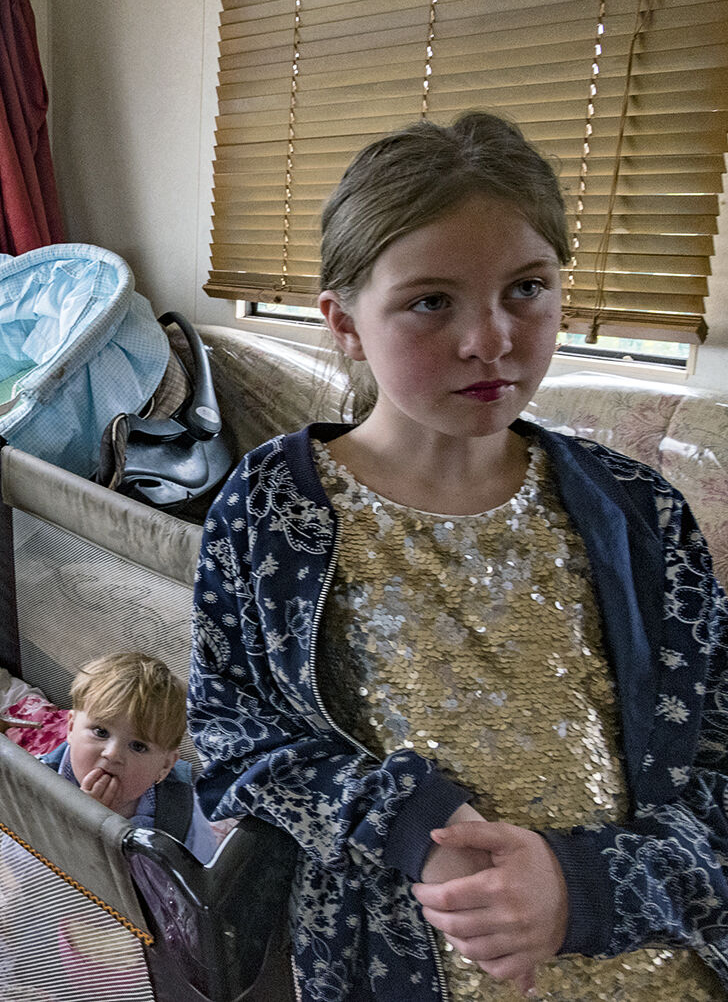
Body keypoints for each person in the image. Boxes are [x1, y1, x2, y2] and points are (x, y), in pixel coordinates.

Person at [187, 111, 728, 1001]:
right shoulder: (275, 508)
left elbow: (715, 762)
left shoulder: (641, 516)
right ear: (346, 321)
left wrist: (581, 888)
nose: (490, 338)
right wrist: (407, 820)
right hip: (393, 971)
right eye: (432, 300)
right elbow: (235, 733)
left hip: (650, 964)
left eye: (526, 288)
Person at [38, 652, 225, 863]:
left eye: (138, 746)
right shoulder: (38, 779)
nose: (112, 754)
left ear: (165, 766)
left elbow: (201, 878)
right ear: (70, 727)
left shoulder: (180, 808)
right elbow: (15, 865)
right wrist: (78, 824)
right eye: (100, 732)